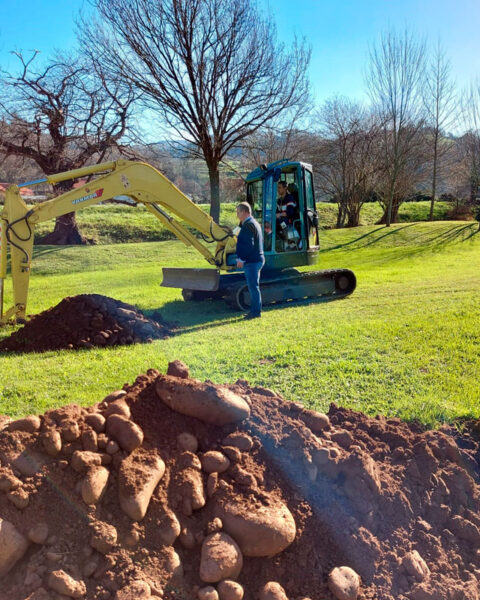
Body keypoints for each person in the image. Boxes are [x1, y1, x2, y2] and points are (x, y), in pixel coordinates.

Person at [235, 202, 265, 319]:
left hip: (252, 261)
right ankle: (255, 311)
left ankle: (255, 313)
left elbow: (248, 245)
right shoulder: (252, 223)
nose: (237, 215)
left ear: (244, 212)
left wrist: (241, 259)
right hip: (256, 259)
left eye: (238, 212)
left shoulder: (248, 225)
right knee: (254, 287)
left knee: (253, 287)